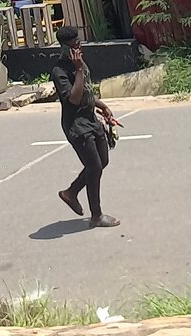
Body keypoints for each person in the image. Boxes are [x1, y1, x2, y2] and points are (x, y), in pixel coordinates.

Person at [51, 25, 119, 229]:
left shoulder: (80, 63)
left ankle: (71, 192)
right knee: (94, 166)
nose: (79, 48)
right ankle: (96, 215)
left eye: (79, 43)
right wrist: (79, 69)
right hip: (76, 126)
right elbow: (74, 98)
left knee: (102, 161)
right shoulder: (60, 72)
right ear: (66, 48)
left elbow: (87, 91)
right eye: (75, 45)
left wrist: (102, 106)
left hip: (91, 119)